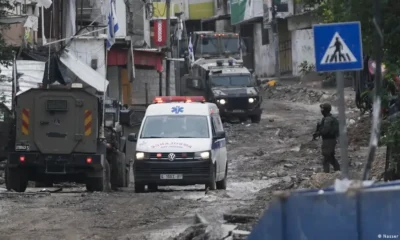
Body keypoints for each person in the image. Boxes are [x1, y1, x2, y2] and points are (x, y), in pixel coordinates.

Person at [313, 103, 341, 173]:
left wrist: (318, 133)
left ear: (325, 110)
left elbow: (325, 130)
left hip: (328, 141)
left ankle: (326, 175)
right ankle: (338, 171)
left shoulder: (328, 120)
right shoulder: (329, 118)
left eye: (322, 109)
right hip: (330, 140)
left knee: (326, 159)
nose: (321, 110)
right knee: (331, 158)